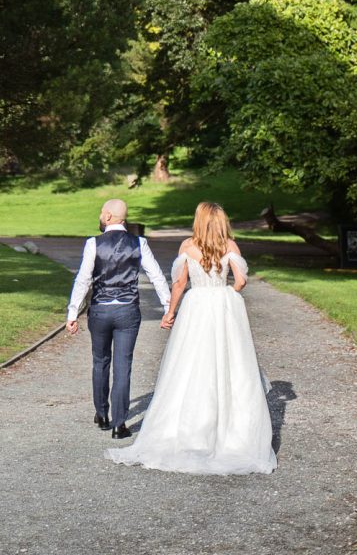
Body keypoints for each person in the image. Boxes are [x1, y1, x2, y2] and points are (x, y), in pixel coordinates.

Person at [109, 201, 277, 475]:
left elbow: (179, 283)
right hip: (222, 307)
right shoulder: (230, 246)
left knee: (191, 362)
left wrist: (170, 312)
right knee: (229, 362)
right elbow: (241, 281)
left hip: (197, 305)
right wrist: (228, 293)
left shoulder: (188, 246)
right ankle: (231, 430)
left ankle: (188, 428)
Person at [66, 199, 171, 438]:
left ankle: (102, 414)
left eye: (103, 213)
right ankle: (119, 424)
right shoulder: (139, 243)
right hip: (127, 310)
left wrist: (73, 312)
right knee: (123, 366)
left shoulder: (93, 243)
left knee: (100, 361)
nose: (101, 216)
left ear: (111, 216)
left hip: (101, 310)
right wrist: (167, 306)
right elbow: (156, 276)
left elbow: (83, 279)